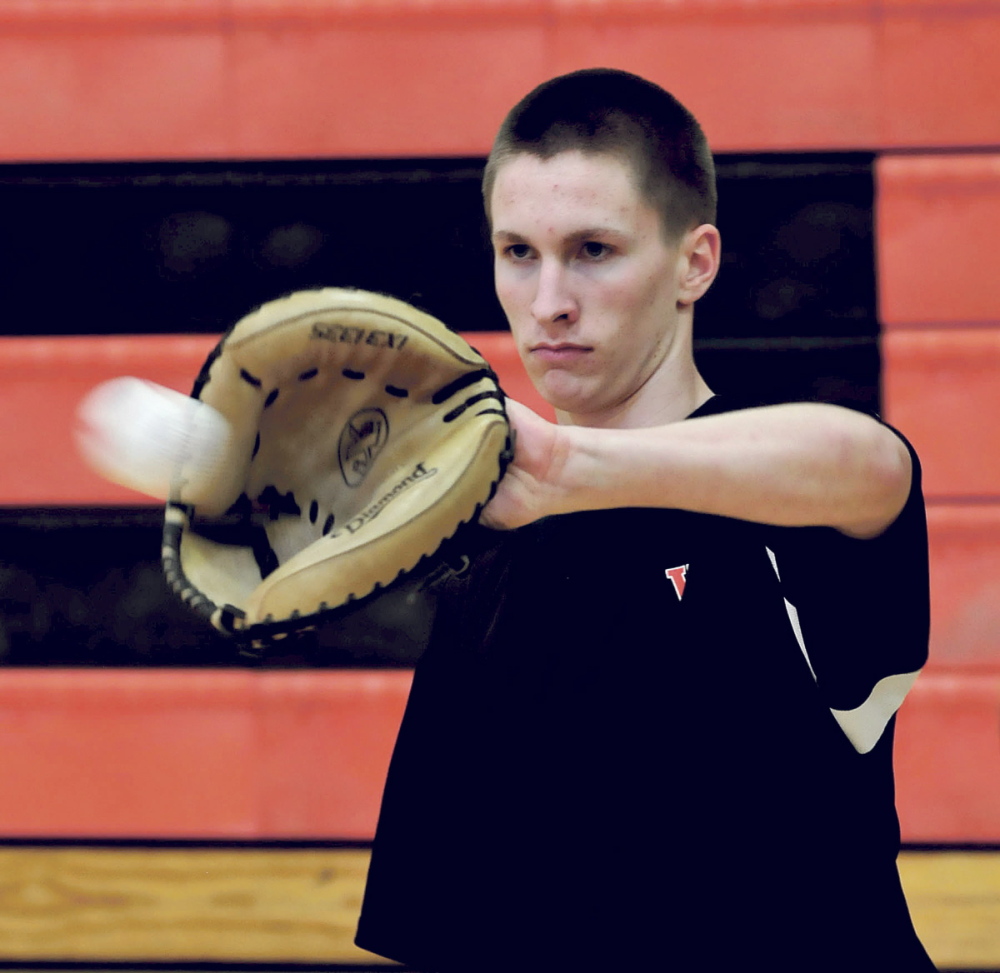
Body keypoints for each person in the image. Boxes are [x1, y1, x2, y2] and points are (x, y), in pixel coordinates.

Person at [355, 68, 935, 972]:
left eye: (592, 249)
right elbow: (439, 926)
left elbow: (873, 466)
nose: (548, 300)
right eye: (517, 251)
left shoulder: (780, 499)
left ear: (693, 262)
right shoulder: (487, 567)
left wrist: (568, 466)